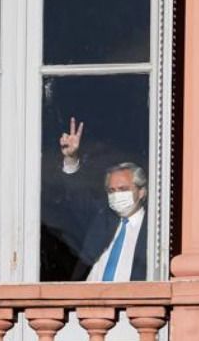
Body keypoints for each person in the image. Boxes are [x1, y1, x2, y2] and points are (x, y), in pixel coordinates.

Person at [58, 118, 149, 282]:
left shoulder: (153, 229)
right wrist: (71, 160)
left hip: (131, 304)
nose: (116, 195)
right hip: (89, 302)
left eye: (123, 189)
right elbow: (76, 199)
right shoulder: (102, 220)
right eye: (111, 190)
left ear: (141, 192)